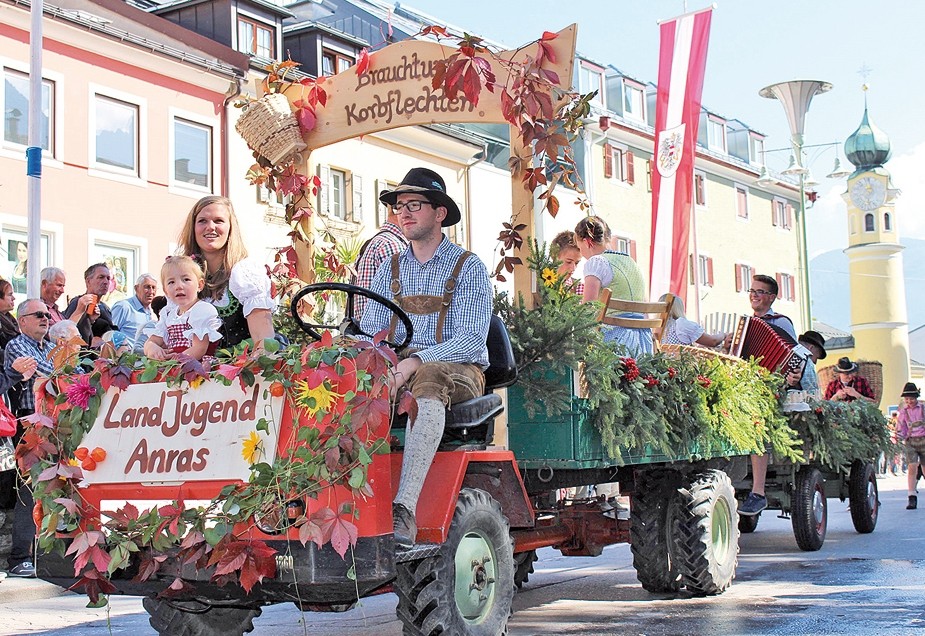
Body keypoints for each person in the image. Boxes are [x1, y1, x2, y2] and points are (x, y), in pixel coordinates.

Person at [360, 167, 492, 549]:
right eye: (400, 206)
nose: (405, 213)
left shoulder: (468, 267)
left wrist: (414, 362)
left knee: (430, 376)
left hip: (459, 369)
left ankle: (404, 509)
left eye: (415, 204)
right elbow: (371, 329)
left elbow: (470, 340)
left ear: (440, 213)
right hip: (401, 369)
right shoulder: (390, 268)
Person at [177, 196, 275, 348]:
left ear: (230, 228)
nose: (210, 227)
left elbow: (264, 343)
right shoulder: (183, 276)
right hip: (192, 369)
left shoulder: (244, 273)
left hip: (241, 367)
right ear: (193, 228)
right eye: (202, 221)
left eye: (218, 221)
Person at [738, 276, 799, 516]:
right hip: (747, 387)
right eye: (752, 291)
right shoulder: (746, 324)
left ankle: (758, 492)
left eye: (760, 292)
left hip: (774, 389)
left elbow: (796, 356)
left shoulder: (781, 323)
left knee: (757, 425)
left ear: (771, 297)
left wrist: (790, 376)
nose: (754, 295)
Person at [3, 299, 54, 577]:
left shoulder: (52, 346)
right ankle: (19, 557)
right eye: (38, 314)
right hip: (28, 421)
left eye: (47, 314)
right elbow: (48, 375)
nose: (45, 318)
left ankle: (45, 556)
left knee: (54, 488)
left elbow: (77, 375)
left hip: (55, 421)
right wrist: (59, 373)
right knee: (28, 490)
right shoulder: (16, 345)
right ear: (22, 321)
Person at [574, 216, 651, 355]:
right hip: (644, 344)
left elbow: (587, 311)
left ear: (587, 242)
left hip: (614, 346)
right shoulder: (632, 262)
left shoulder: (596, 262)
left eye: (580, 248)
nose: (582, 254)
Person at [144, 256, 222, 361]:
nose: (179, 286)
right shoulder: (168, 314)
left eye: (186, 279)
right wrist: (151, 348)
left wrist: (174, 362)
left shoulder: (202, 310)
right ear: (165, 290)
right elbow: (153, 341)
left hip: (196, 368)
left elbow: (199, 348)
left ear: (199, 285)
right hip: (174, 367)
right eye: (171, 282)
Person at [350, 204, 407, 319]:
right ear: (397, 210)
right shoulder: (393, 246)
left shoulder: (380, 242)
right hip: (383, 334)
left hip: (368, 332)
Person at [63, 263, 117, 347]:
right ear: (88, 281)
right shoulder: (78, 303)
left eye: (108, 278)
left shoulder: (105, 308)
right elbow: (66, 332)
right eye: (101, 277)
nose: (106, 282)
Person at [896, 382, 925, 510]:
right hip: (910, 441)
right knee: (912, 466)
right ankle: (911, 496)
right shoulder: (903, 411)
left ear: (916, 398)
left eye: (911, 398)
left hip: (924, 440)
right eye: (907, 399)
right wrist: (898, 435)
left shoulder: (923, 408)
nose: (909, 401)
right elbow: (900, 426)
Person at [660, 294, 725, 347]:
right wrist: (723, 335)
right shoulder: (681, 324)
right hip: (679, 362)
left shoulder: (659, 328)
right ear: (679, 308)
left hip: (664, 362)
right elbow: (713, 341)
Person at [111, 274, 157, 347]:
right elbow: (110, 335)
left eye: (154, 288)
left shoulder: (148, 311)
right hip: (125, 357)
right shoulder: (124, 307)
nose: (151, 291)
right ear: (136, 288)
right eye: (147, 287)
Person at [549, 231, 583, 295]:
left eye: (576, 263)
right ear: (554, 257)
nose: (573, 268)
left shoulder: (579, 288)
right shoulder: (541, 286)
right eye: (569, 262)